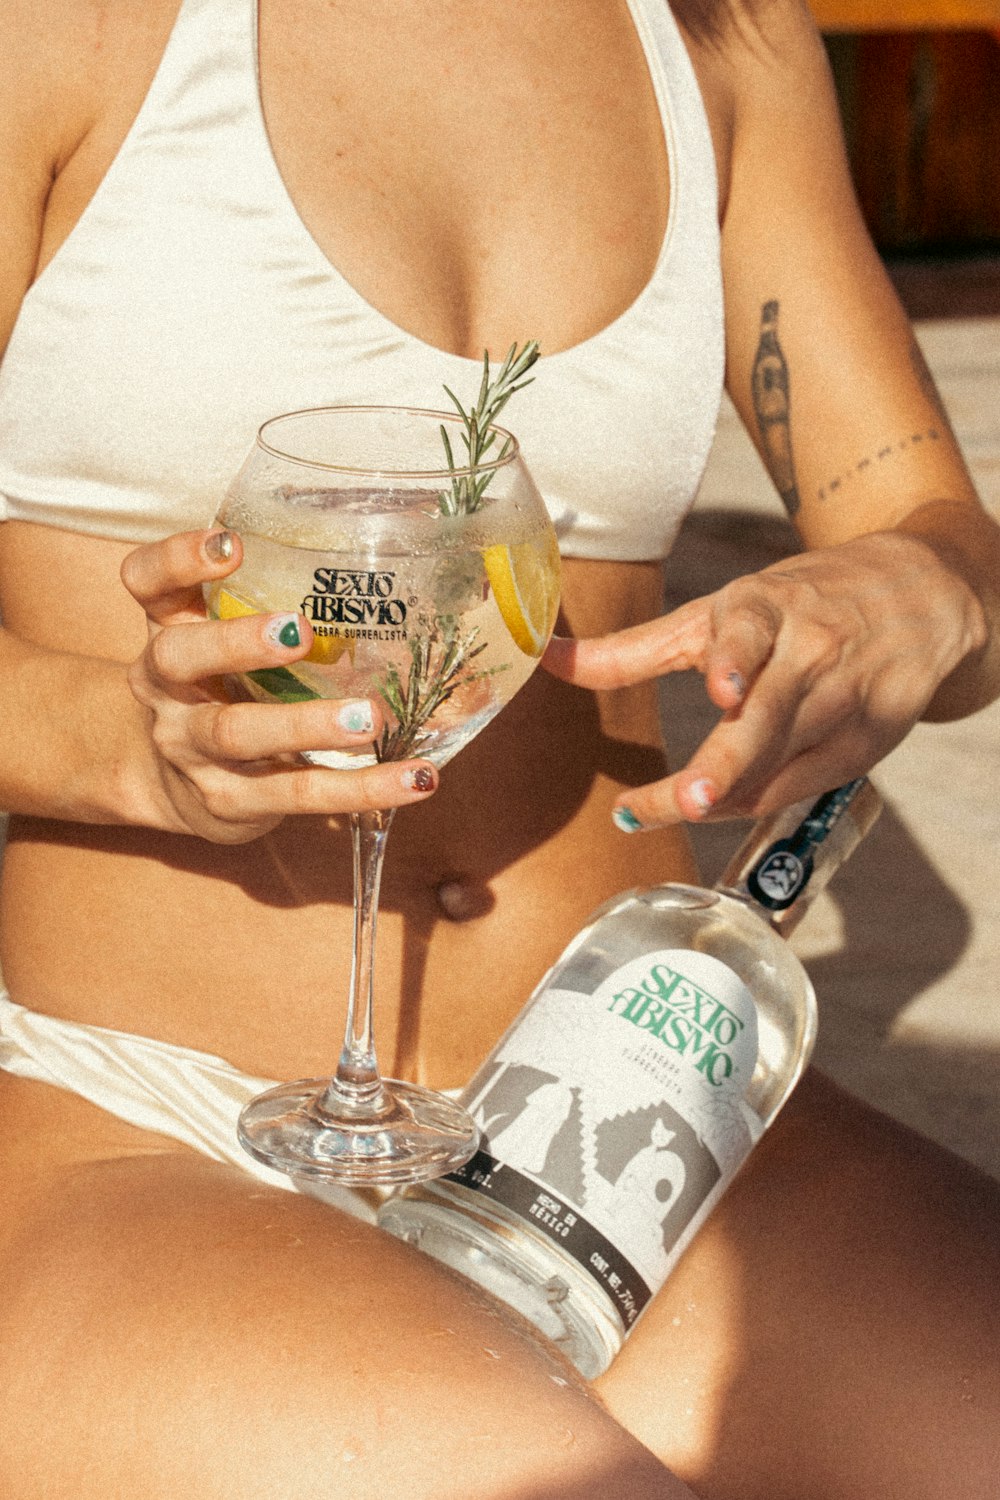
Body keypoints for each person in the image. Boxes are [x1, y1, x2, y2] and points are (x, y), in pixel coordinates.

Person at [0, 0, 998, 1495]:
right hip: (143, 1124)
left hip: (643, 1123)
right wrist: (121, 743)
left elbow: (935, 535)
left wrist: (921, 595)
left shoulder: (720, 42)